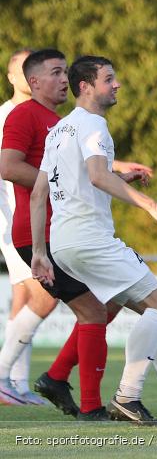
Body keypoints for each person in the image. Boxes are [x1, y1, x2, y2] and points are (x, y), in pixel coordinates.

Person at [30, 55, 157, 424]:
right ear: (86, 86)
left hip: (63, 243)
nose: (117, 84)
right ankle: (127, 398)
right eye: (109, 79)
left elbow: (40, 192)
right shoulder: (94, 125)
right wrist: (151, 205)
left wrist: (41, 253)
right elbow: (97, 176)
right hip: (90, 239)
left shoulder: (59, 130)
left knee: (149, 311)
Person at [0, 49, 152, 418]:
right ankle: (88, 404)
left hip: (63, 231)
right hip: (43, 232)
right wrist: (54, 183)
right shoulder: (24, 114)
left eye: (65, 71)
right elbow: (8, 166)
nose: (62, 79)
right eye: (55, 73)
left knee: (109, 301)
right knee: (94, 309)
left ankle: (56, 378)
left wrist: (115, 174)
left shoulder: (60, 121)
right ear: (33, 81)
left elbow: (80, 169)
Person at [0, 48, 48, 405]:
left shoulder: (41, 115)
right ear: (13, 77)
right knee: (39, 293)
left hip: (32, 215)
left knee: (26, 295)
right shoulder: (7, 115)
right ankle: (7, 379)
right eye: (21, 69)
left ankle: (14, 383)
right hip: (12, 218)